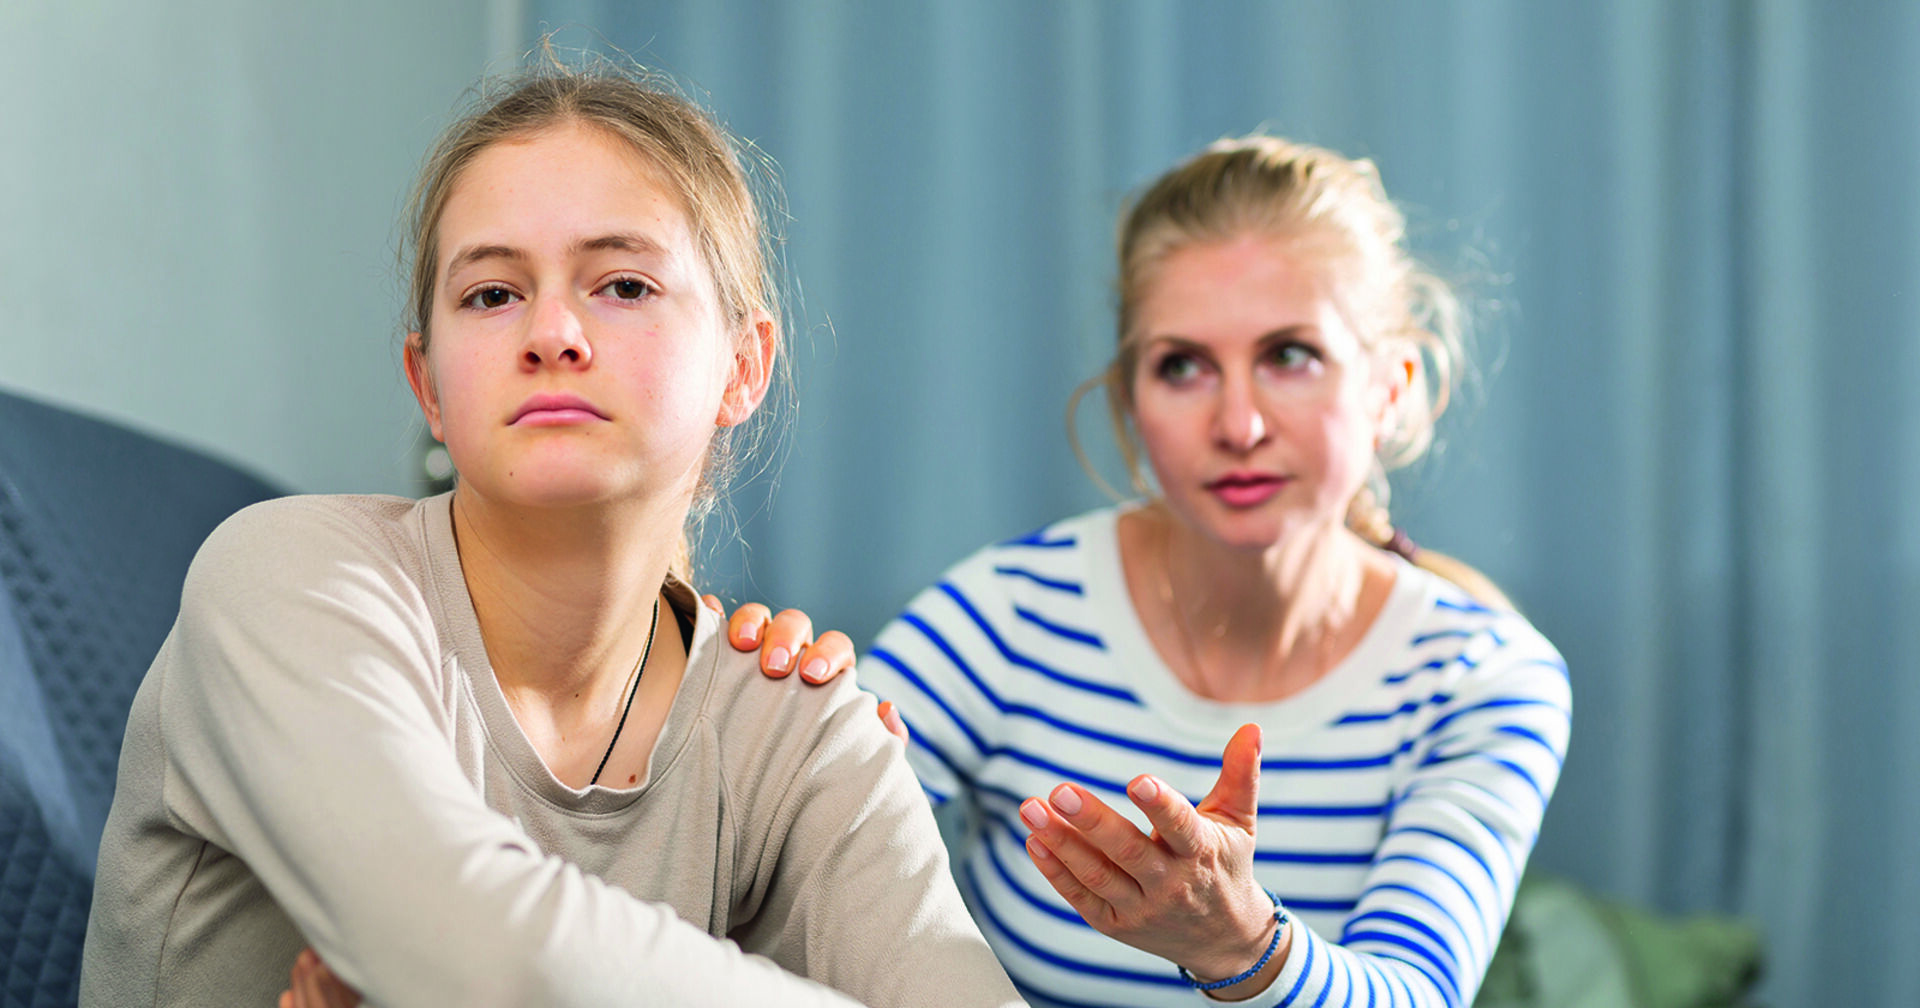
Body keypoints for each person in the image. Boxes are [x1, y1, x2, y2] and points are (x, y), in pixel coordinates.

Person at [78, 61, 1022, 1008]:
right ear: (429, 387)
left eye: (622, 284)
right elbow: (466, 945)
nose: (553, 333)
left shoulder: (798, 720)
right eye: (492, 295)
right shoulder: (285, 578)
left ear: (743, 366)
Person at [732, 135, 1571, 1007]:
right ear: (1133, 405)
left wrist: (1241, 943)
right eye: (1183, 366)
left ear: (1390, 386)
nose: (1239, 423)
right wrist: (759, 721)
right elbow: (778, 864)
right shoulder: (1008, 616)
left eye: (1291, 355)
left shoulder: (1487, 680)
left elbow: (1417, 993)